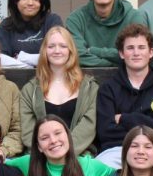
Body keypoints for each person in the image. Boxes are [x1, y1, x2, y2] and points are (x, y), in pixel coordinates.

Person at [95, 23, 153, 167]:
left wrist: (125, 118)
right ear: (121, 53)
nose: (136, 53)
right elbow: (105, 132)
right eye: (130, 48)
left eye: (141, 47)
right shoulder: (108, 89)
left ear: (151, 52)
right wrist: (148, 123)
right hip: (116, 151)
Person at [18, 25, 100, 156]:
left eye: (63, 46)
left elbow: (88, 127)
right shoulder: (30, 90)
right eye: (51, 46)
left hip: (78, 155)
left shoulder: (89, 88)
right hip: (41, 157)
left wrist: (64, 153)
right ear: (44, 50)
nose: (57, 51)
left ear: (71, 50)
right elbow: (28, 131)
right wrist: (49, 154)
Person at [65, 0, 145, 67]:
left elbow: (138, 54)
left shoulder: (133, 17)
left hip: (126, 80)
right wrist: (113, 64)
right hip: (86, 80)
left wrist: (94, 51)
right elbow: (76, 55)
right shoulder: (76, 19)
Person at [0, 0, 63, 68]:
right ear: (16, 0)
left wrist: (23, 57)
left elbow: (58, 55)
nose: (30, 3)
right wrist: (27, 67)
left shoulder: (52, 21)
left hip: (49, 78)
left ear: (42, 2)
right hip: (14, 80)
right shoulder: (6, 26)